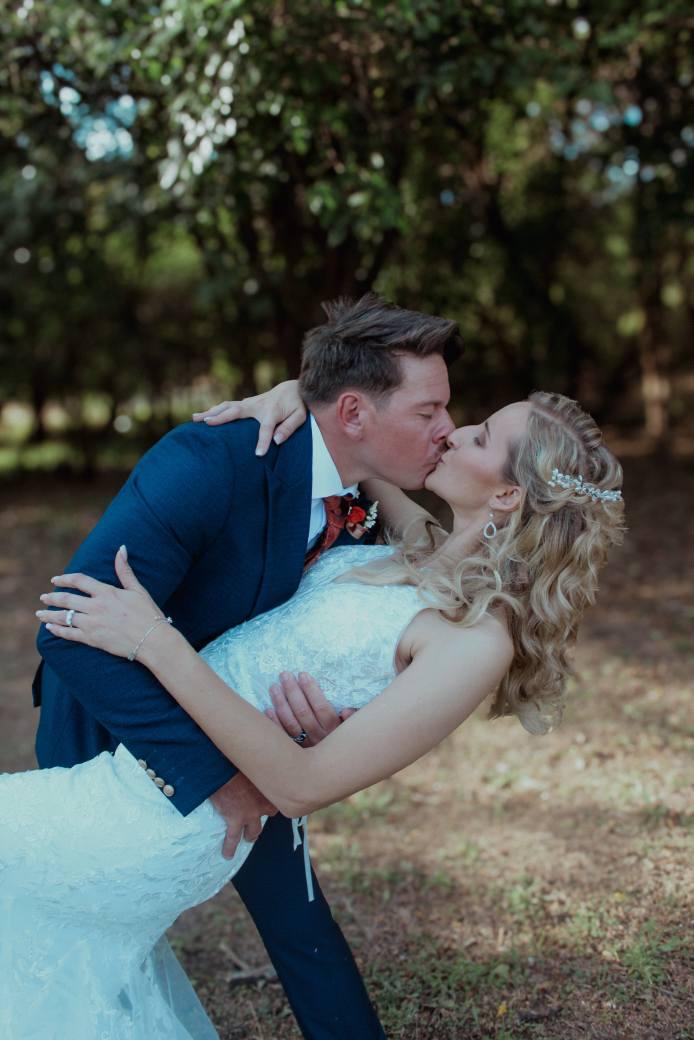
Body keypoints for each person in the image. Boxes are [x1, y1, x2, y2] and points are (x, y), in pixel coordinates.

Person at [4, 369, 624, 1039]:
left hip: (173, 819)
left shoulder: (475, 642)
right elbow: (354, 435)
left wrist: (153, 639)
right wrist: (299, 391)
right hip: (137, 772)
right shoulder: (419, 546)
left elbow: (301, 787)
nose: (452, 431)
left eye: (479, 436)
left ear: (506, 494)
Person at [16, 293, 462, 1040]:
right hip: (107, 719)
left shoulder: (364, 493)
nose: (447, 428)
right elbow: (68, 629)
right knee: (96, 922)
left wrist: (321, 723)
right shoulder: (207, 462)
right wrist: (220, 779)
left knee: (297, 915)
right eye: (429, 411)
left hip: (245, 720)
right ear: (355, 413)